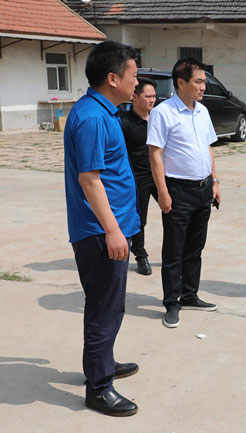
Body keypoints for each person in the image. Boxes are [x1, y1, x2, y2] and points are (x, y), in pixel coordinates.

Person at [63, 40, 140, 416]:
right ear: (113, 78)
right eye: (133, 75)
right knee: (103, 309)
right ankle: (99, 388)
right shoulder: (93, 118)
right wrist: (112, 230)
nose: (137, 82)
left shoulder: (103, 110)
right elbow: (90, 179)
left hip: (108, 226)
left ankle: (102, 363)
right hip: (99, 232)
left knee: (110, 305)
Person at [147, 57, 220, 328]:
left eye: (204, 82)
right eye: (199, 81)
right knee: (174, 251)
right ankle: (171, 302)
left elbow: (208, 148)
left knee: (195, 247)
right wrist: (163, 192)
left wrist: (215, 182)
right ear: (181, 82)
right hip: (178, 190)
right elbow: (155, 154)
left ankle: (190, 295)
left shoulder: (203, 112)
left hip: (203, 189)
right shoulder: (163, 113)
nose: (203, 87)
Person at [121, 77, 158, 275]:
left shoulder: (158, 118)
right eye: (148, 96)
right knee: (139, 219)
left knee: (174, 212)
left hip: (161, 175)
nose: (152, 100)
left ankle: (174, 252)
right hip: (138, 178)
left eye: (154, 96)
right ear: (134, 97)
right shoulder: (125, 122)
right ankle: (140, 255)